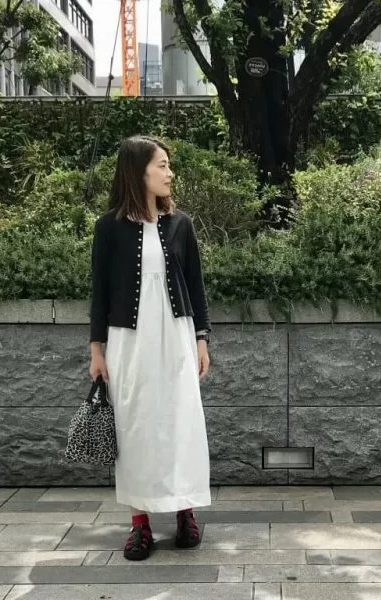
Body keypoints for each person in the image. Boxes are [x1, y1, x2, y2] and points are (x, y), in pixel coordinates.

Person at [88, 135, 212, 561]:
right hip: (129, 341)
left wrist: (201, 338)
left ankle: (185, 512)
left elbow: (195, 286)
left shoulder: (181, 224)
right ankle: (139, 523)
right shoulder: (108, 228)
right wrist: (97, 350)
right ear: (137, 171)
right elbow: (99, 293)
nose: (169, 173)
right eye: (162, 165)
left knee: (181, 421)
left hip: (176, 336)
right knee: (135, 426)